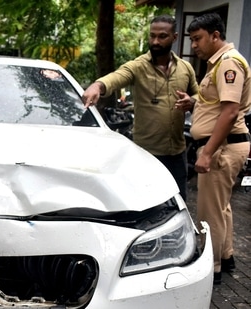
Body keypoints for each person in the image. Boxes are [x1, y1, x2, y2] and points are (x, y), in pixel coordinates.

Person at [82, 15, 199, 201]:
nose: (155, 41)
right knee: (146, 202)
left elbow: (198, 94)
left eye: (162, 36)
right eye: (152, 36)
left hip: (177, 152)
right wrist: (98, 85)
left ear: (174, 37)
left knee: (179, 201)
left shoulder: (186, 68)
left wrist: (192, 101)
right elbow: (117, 76)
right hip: (146, 153)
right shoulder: (138, 66)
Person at [186, 12, 251, 285]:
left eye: (198, 39)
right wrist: (192, 102)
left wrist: (208, 152)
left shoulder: (228, 63)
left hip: (222, 147)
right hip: (224, 146)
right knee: (221, 207)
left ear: (215, 35)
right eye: (191, 40)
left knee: (209, 213)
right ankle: (225, 256)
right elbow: (217, 105)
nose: (194, 46)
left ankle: (209, 269)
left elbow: (230, 111)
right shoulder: (218, 64)